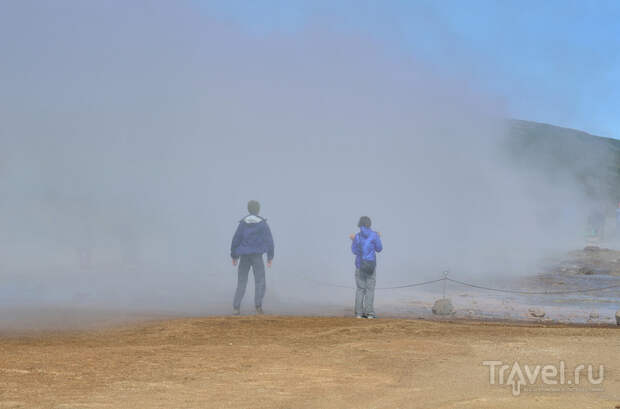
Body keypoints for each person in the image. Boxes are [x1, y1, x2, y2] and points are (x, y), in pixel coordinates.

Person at [230, 200, 274, 315]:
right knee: (260, 281)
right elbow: (269, 240)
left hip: (244, 256)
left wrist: (234, 255)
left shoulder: (243, 223)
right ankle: (258, 306)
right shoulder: (263, 223)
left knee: (241, 281)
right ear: (258, 210)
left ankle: (236, 307)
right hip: (257, 256)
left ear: (248, 209)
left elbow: (236, 239)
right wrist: (270, 257)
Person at [350, 216, 383, 319]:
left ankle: (358, 314)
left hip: (360, 265)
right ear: (370, 224)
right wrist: (378, 237)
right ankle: (369, 313)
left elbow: (354, 251)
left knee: (360, 289)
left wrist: (353, 240)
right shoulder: (374, 235)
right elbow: (379, 249)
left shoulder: (357, 236)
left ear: (360, 224)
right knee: (370, 290)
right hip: (370, 266)